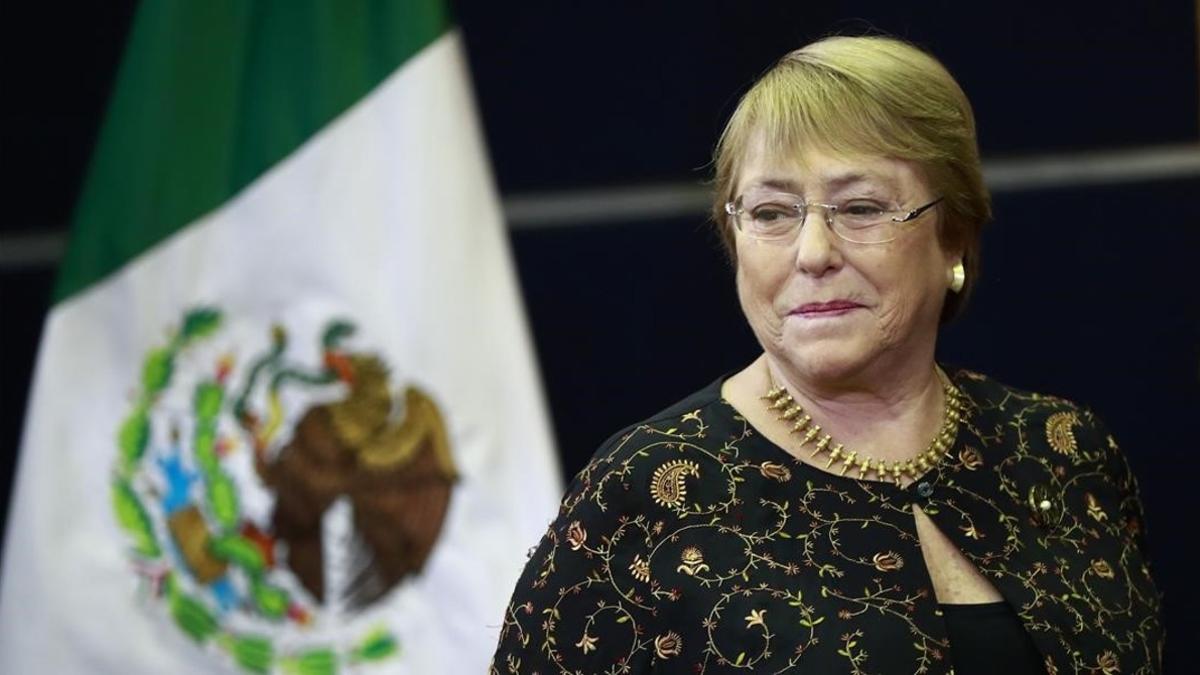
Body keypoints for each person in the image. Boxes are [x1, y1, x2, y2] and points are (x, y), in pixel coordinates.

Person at [490, 35, 1163, 674]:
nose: (813, 253)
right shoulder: (650, 491)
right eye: (773, 212)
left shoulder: (1062, 451)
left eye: (862, 207)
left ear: (953, 236)